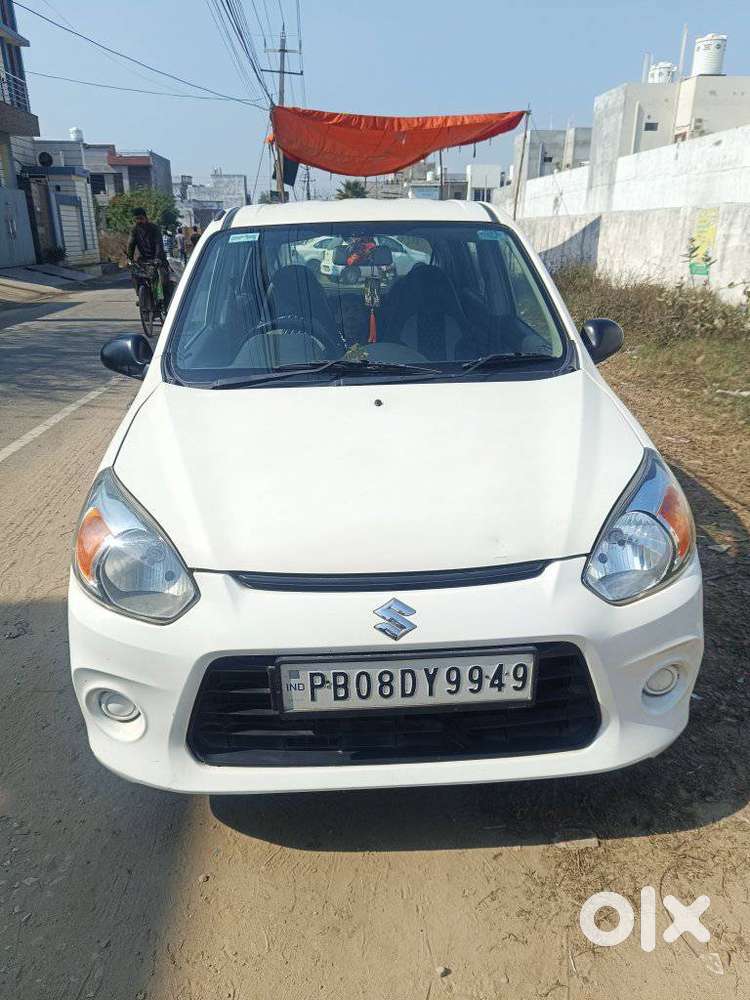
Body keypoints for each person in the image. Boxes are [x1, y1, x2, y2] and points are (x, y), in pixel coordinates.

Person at [127, 207, 173, 309]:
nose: (139, 221)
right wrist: (129, 259)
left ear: (146, 218)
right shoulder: (134, 230)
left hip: (158, 259)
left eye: (141, 218)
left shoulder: (154, 228)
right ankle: (141, 296)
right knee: (135, 275)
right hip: (143, 260)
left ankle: (165, 303)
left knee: (163, 281)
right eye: (137, 219)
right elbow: (131, 244)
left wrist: (157, 258)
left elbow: (158, 244)